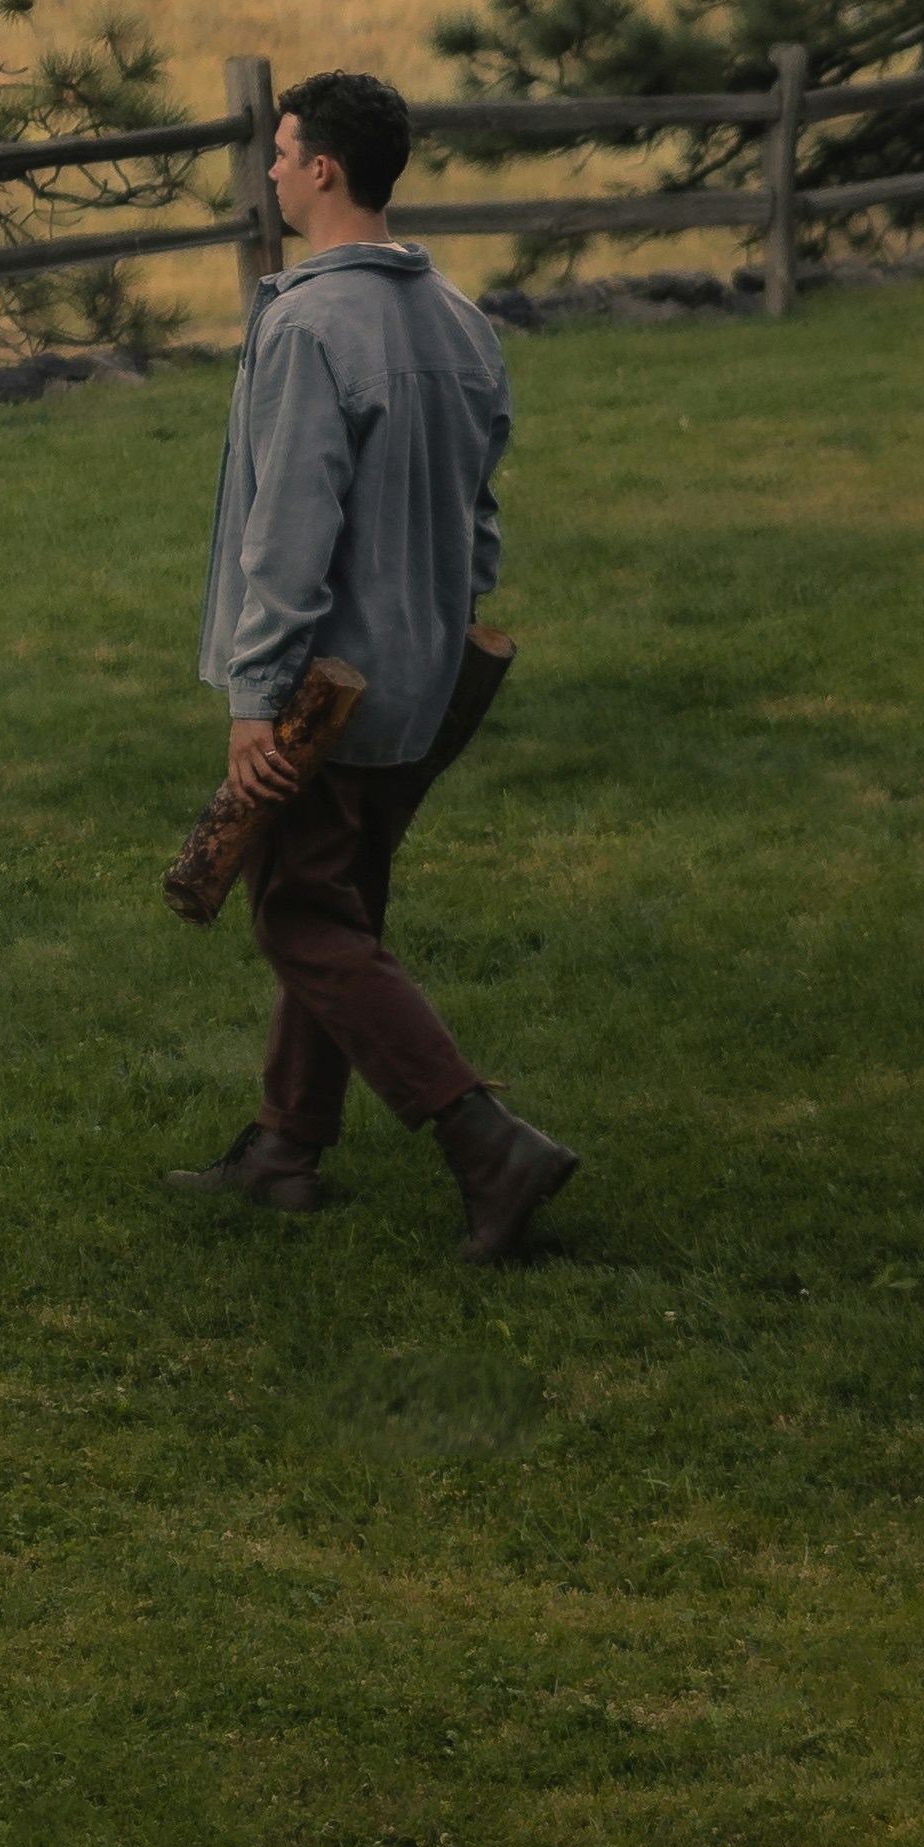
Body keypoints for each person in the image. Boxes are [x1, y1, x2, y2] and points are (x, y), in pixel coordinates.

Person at [168, 70, 581, 1262]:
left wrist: (258, 699)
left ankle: (486, 1142)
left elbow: (289, 532)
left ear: (324, 172)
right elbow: (480, 512)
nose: (273, 172)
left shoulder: (306, 322)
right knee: (336, 909)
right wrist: (446, 619)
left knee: (301, 917)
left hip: (324, 695)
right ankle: (285, 1147)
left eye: (282, 153)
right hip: (423, 680)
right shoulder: (458, 319)